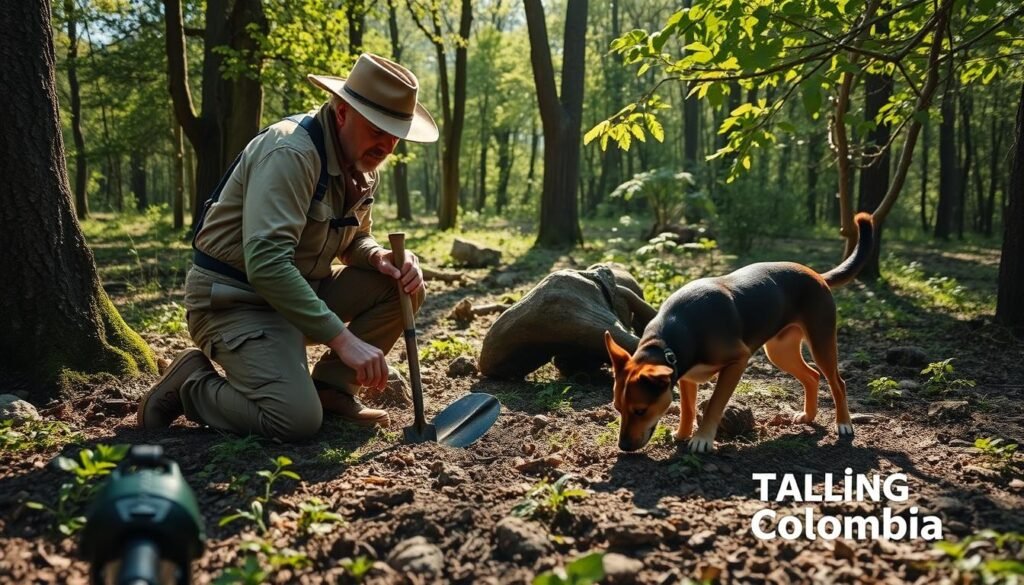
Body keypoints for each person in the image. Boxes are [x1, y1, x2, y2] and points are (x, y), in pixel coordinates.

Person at [137, 53, 437, 441]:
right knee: (294, 420)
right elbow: (265, 263)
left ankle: (332, 388)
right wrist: (343, 341)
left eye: (396, 132)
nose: (388, 144)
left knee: (400, 288)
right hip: (236, 302)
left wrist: (378, 257)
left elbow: (355, 238)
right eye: (378, 128)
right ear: (343, 112)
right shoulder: (291, 153)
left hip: (297, 294)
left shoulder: (361, 164)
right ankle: (191, 383)